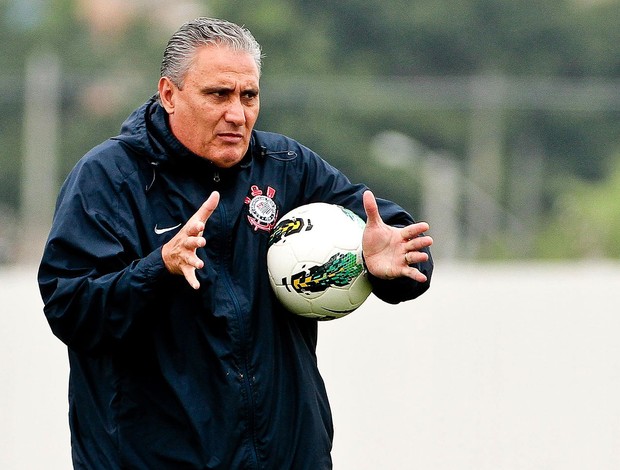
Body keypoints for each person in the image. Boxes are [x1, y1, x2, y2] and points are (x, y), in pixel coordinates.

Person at [38, 17, 433, 470]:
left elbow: (393, 236)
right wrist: (158, 269)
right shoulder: (109, 179)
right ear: (169, 94)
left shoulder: (286, 167)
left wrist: (388, 262)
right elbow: (70, 307)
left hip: (289, 457)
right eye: (218, 95)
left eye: (249, 96)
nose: (237, 114)